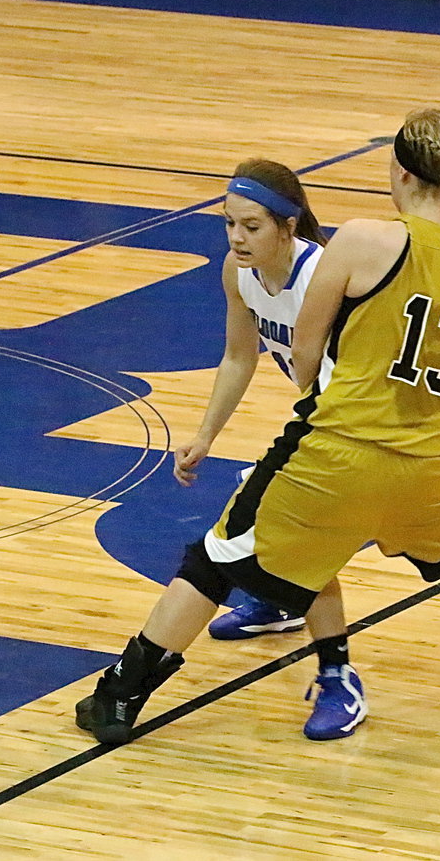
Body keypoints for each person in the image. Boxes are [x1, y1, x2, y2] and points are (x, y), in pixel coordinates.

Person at [75, 108, 440, 747]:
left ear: (398, 172)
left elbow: (311, 354)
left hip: (342, 448)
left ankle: (118, 695)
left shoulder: (362, 241)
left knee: (213, 558)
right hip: (434, 457)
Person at [173, 158, 370, 740]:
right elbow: (240, 356)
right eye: (229, 223)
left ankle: (339, 677)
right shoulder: (239, 274)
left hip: (364, 429)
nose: (236, 237)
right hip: (320, 421)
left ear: (288, 225)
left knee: (303, 532)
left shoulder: (322, 275)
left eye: (251, 226)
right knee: (276, 520)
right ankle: (282, 601)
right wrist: (205, 434)